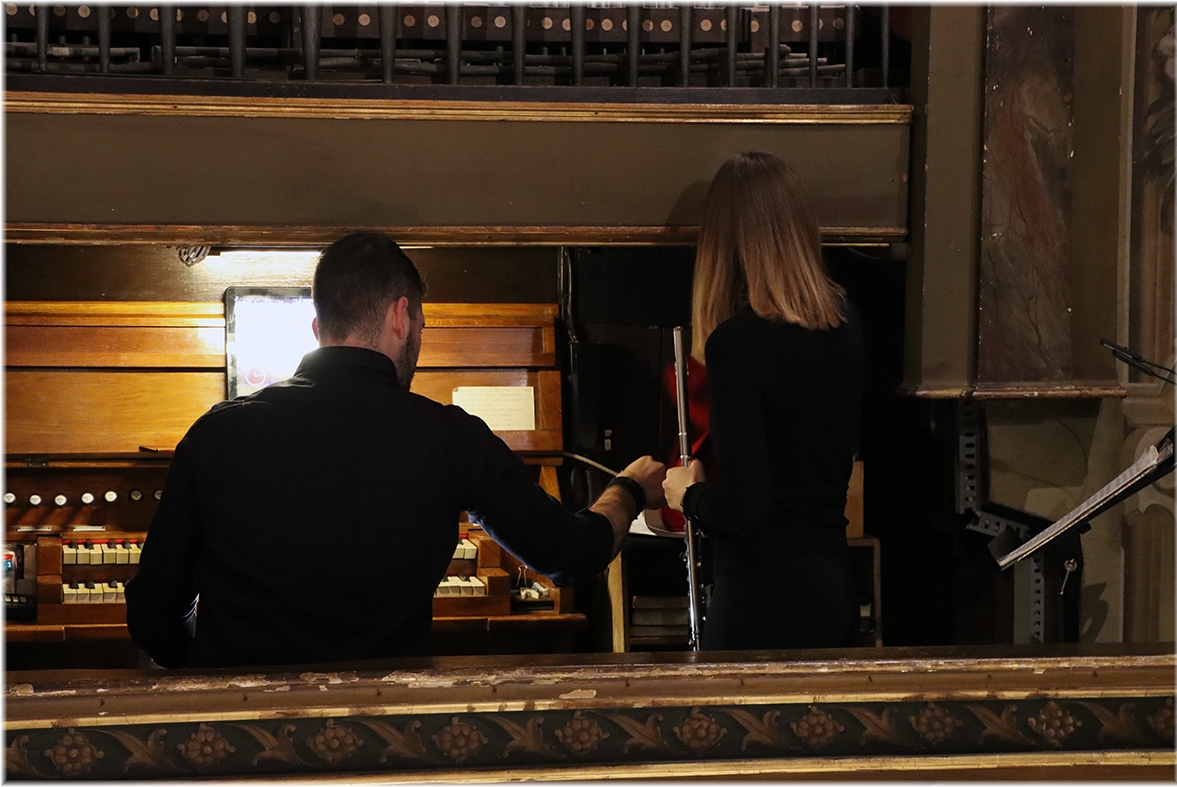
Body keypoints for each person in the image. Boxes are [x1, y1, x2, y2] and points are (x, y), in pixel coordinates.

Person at [126, 232, 666, 668]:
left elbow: (152, 617)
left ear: (317, 328)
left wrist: (216, 673)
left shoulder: (216, 433)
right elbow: (571, 555)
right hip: (382, 733)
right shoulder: (449, 437)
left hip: (241, 738)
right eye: (422, 326)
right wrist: (628, 490)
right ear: (401, 316)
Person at [662, 152, 864, 651]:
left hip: (762, 594)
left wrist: (687, 493)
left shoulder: (736, 344)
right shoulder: (844, 323)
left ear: (721, 243)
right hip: (833, 585)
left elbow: (744, 509)